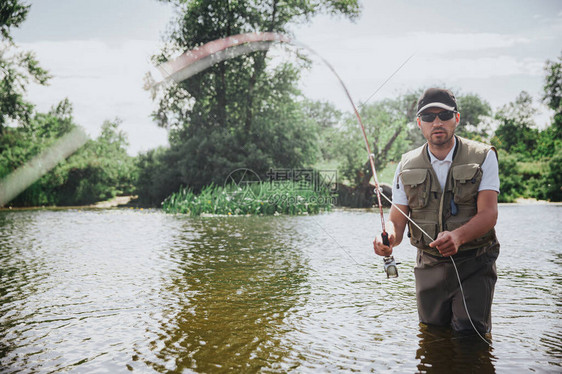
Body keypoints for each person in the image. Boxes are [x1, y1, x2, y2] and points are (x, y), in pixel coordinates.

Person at [373, 88, 500, 334]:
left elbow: (489, 214)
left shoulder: (484, 156)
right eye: (429, 117)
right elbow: (397, 222)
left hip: (474, 263)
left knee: (470, 336)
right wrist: (386, 239)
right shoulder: (406, 164)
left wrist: (458, 237)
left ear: (457, 118)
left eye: (444, 115)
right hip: (428, 265)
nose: (437, 122)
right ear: (420, 123)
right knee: (432, 336)